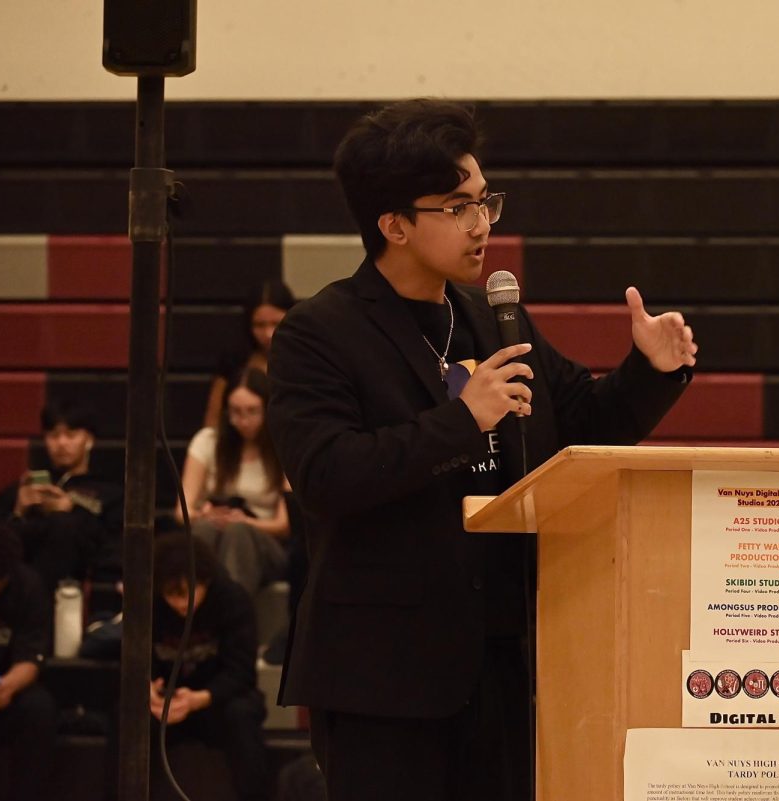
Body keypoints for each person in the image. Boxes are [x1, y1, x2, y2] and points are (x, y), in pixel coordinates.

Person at [265, 99, 697, 801]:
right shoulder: (320, 332)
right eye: (458, 206)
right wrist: (462, 421)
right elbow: (326, 474)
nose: (482, 223)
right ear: (394, 224)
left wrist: (649, 369)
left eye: (485, 199)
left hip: (500, 663)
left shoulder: (491, 316)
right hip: (383, 676)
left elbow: (582, 424)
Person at [149, 534, 268, 801]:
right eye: (171, 594)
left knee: (242, 714)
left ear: (205, 581)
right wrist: (147, 689)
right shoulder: (151, 604)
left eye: (188, 593)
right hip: (166, 702)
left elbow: (242, 672)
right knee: (127, 713)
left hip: (216, 701)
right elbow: (136, 658)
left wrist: (199, 699)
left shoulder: (232, 599)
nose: (181, 604)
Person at [0, 401, 123, 595]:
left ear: (88, 440)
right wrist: (19, 511)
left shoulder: (109, 493)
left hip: (79, 589)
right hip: (17, 590)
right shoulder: (23, 489)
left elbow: (113, 550)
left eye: (70, 435)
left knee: (63, 525)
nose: (61, 443)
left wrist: (71, 511)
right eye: (53, 435)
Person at [179, 367, 290, 596]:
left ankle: (234, 610)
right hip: (217, 529)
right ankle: (192, 607)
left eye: (252, 411)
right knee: (203, 529)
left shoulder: (284, 446)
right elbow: (182, 511)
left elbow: (284, 524)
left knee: (237, 533)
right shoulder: (208, 441)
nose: (244, 421)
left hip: (266, 541)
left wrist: (245, 522)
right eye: (236, 412)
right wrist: (206, 514)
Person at [0, 523, 56, 801]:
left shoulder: (28, 585)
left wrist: (3, 690)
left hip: (6, 687)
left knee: (39, 709)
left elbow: (31, 656)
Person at [202, 279, 296, 428]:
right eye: (259, 325)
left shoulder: (305, 358)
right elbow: (213, 420)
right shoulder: (234, 360)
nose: (268, 334)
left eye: (276, 323)